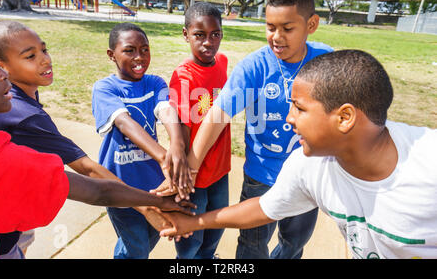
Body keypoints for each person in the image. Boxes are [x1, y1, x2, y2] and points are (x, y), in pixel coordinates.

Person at [160, 49, 437, 259]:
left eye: (300, 109)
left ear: (345, 117)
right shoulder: (307, 164)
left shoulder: (428, 166)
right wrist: (192, 222)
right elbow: (264, 207)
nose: (289, 119)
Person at [0, 39, 194, 259]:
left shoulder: (16, 96)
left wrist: (176, 148)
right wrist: (154, 201)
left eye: (45, 50)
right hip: (1, 235)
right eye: (30, 56)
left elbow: (165, 109)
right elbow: (93, 181)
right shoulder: (23, 118)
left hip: (8, 220)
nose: (45, 59)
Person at [180, 0, 333, 259]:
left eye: (287, 28)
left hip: (307, 177)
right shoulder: (253, 67)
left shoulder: (325, 61)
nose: (276, 36)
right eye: (270, 27)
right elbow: (218, 115)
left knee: (294, 242)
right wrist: (190, 168)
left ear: (311, 24)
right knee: (252, 246)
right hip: (260, 176)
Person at [91, 22, 189, 259]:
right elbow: (125, 123)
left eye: (145, 49)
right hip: (120, 184)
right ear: (111, 55)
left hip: (153, 184)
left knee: (150, 236)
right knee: (137, 249)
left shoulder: (155, 82)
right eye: (129, 50)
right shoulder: (105, 88)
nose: (139, 57)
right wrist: (164, 157)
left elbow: (165, 110)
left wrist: (176, 143)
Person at [157, 2, 232, 259]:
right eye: (199, 35)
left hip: (220, 169)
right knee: (190, 243)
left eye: (215, 34)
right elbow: (183, 129)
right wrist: (181, 179)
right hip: (194, 176)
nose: (208, 42)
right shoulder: (184, 75)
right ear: (186, 34)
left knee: (215, 232)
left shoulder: (222, 62)